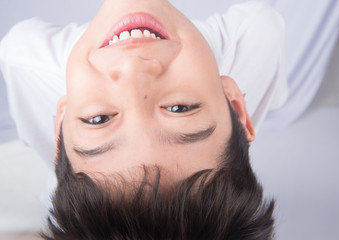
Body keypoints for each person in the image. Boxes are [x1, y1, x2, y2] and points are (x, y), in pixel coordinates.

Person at [0, 0, 287, 239]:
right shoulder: (258, 35)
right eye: (179, 108)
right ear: (237, 107)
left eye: (98, 119)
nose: (132, 66)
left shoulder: (24, 57)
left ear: (60, 126)